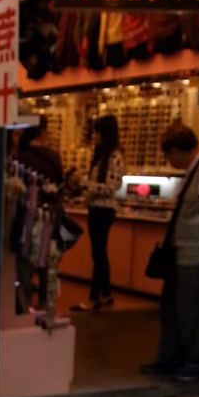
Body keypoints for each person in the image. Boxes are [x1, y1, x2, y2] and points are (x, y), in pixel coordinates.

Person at [142, 124, 199, 382]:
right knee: (174, 307)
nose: (169, 161)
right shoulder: (197, 169)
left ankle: (197, 360)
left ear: (177, 151)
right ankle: (172, 355)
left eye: (168, 155)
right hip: (184, 253)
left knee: (193, 309)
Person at [74, 114, 125, 311]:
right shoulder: (100, 157)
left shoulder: (114, 157)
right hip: (95, 209)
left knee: (99, 253)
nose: (94, 136)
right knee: (98, 253)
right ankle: (105, 294)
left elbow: (113, 185)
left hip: (103, 210)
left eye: (97, 132)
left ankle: (96, 296)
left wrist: (88, 185)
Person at [14, 116, 64, 312]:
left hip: (26, 216)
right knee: (46, 261)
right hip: (50, 216)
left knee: (24, 260)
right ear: (42, 132)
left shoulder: (20, 159)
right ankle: (45, 304)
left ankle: (24, 303)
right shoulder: (54, 157)